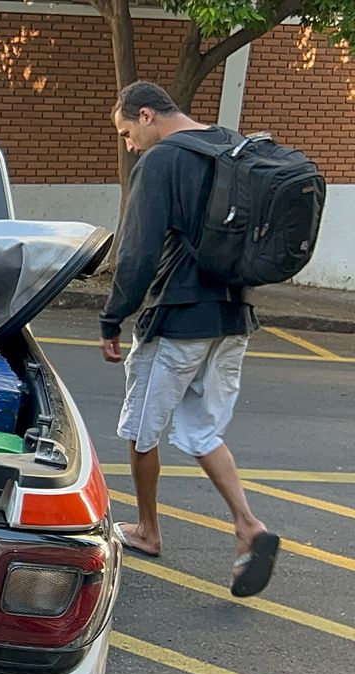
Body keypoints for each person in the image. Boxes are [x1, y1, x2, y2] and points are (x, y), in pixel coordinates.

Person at [100, 80, 279, 598]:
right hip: (233, 315)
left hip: (178, 319)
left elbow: (136, 253)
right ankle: (249, 525)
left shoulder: (160, 162)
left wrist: (113, 319)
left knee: (140, 430)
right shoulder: (231, 143)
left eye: (128, 133)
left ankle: (148, 530)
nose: (130, 145)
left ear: (148, 115)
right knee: (202, 431)